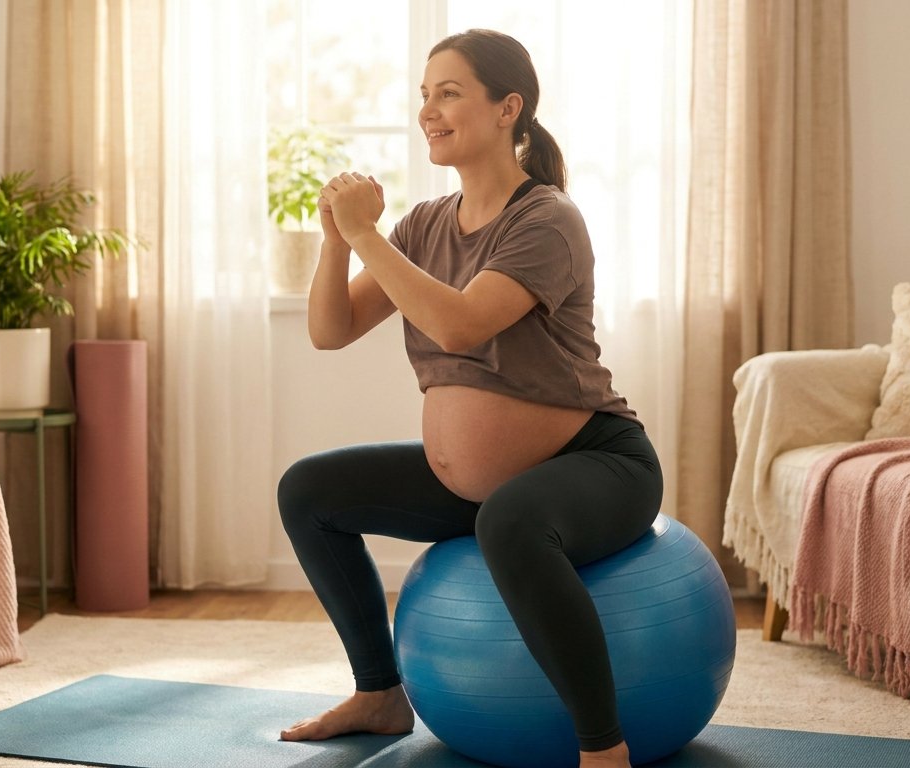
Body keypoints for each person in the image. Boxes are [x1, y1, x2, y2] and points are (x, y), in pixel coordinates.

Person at [276, 28, 662, 768]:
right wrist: (336, 240)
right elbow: (330, 331)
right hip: (477, 485)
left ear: (508, 108)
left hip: (599, 466)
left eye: (449, 92)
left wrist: (367, 235)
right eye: (424, 95)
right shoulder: (423, 225)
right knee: (309, 491)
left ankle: (603, 752)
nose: (429, 110)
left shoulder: (546, 217)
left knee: (511, 523)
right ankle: (380, 694)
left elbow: (459, 326)